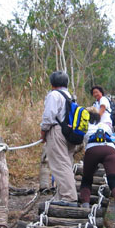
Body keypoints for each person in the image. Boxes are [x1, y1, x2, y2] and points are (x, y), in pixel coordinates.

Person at [79, 107, 115, 224]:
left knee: (87, 180)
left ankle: (85, 206)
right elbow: (114, 139)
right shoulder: (106, 126)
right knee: (114, 180)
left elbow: (80, 141)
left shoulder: (85, 126)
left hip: (92, 149)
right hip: (109, 149)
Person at [40, 71, 78, 207]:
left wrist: (43, 132)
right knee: (66, 163)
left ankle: (69, 197)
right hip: (69, 132)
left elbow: (49, 116)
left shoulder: (54, 95)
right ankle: (61, 195)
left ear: (52, 84)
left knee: (60, 165)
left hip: (57, 131)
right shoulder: (70, 96)